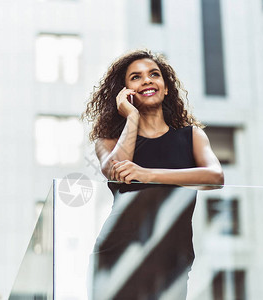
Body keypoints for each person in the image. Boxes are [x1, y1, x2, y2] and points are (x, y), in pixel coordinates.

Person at [82, 49, 224, 299]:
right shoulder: (109, 141)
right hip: (117, 254)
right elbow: (115, 171)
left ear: (166, 87)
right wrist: (132, 117)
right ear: (124, 92)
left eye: (154, 74)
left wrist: (147, 174)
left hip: (171, 257)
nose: (146, 80)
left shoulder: (191, 136)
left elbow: (215, 177)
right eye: (135, 77)